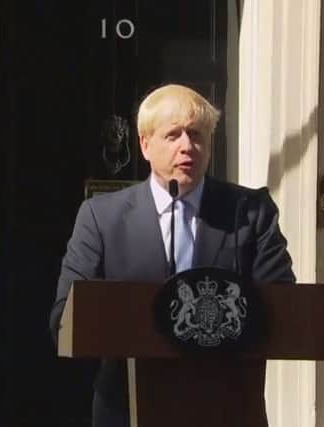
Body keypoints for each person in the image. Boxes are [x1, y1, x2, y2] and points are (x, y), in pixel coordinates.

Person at [50, 84, 295, 427]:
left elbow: (283, 308)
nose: (187, 146)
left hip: (227, 408)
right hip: (129, 407)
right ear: (145, 144)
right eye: (173, 135)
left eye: (197, 135)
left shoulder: (250, 212)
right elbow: (64, 317)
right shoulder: (100, 217)